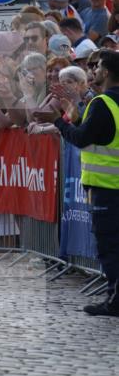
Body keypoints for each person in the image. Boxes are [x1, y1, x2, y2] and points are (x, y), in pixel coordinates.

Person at [47, 50, 119, 316]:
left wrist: (57, 122)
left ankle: (114, 300)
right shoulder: (106, 104)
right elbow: (96, 135)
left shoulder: (102, 103)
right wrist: (74, 114)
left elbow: (81, 139)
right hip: (109, 187)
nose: (93, 70)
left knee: (110, 246)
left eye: (96, 66)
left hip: (107, 188)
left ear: (107, 72)